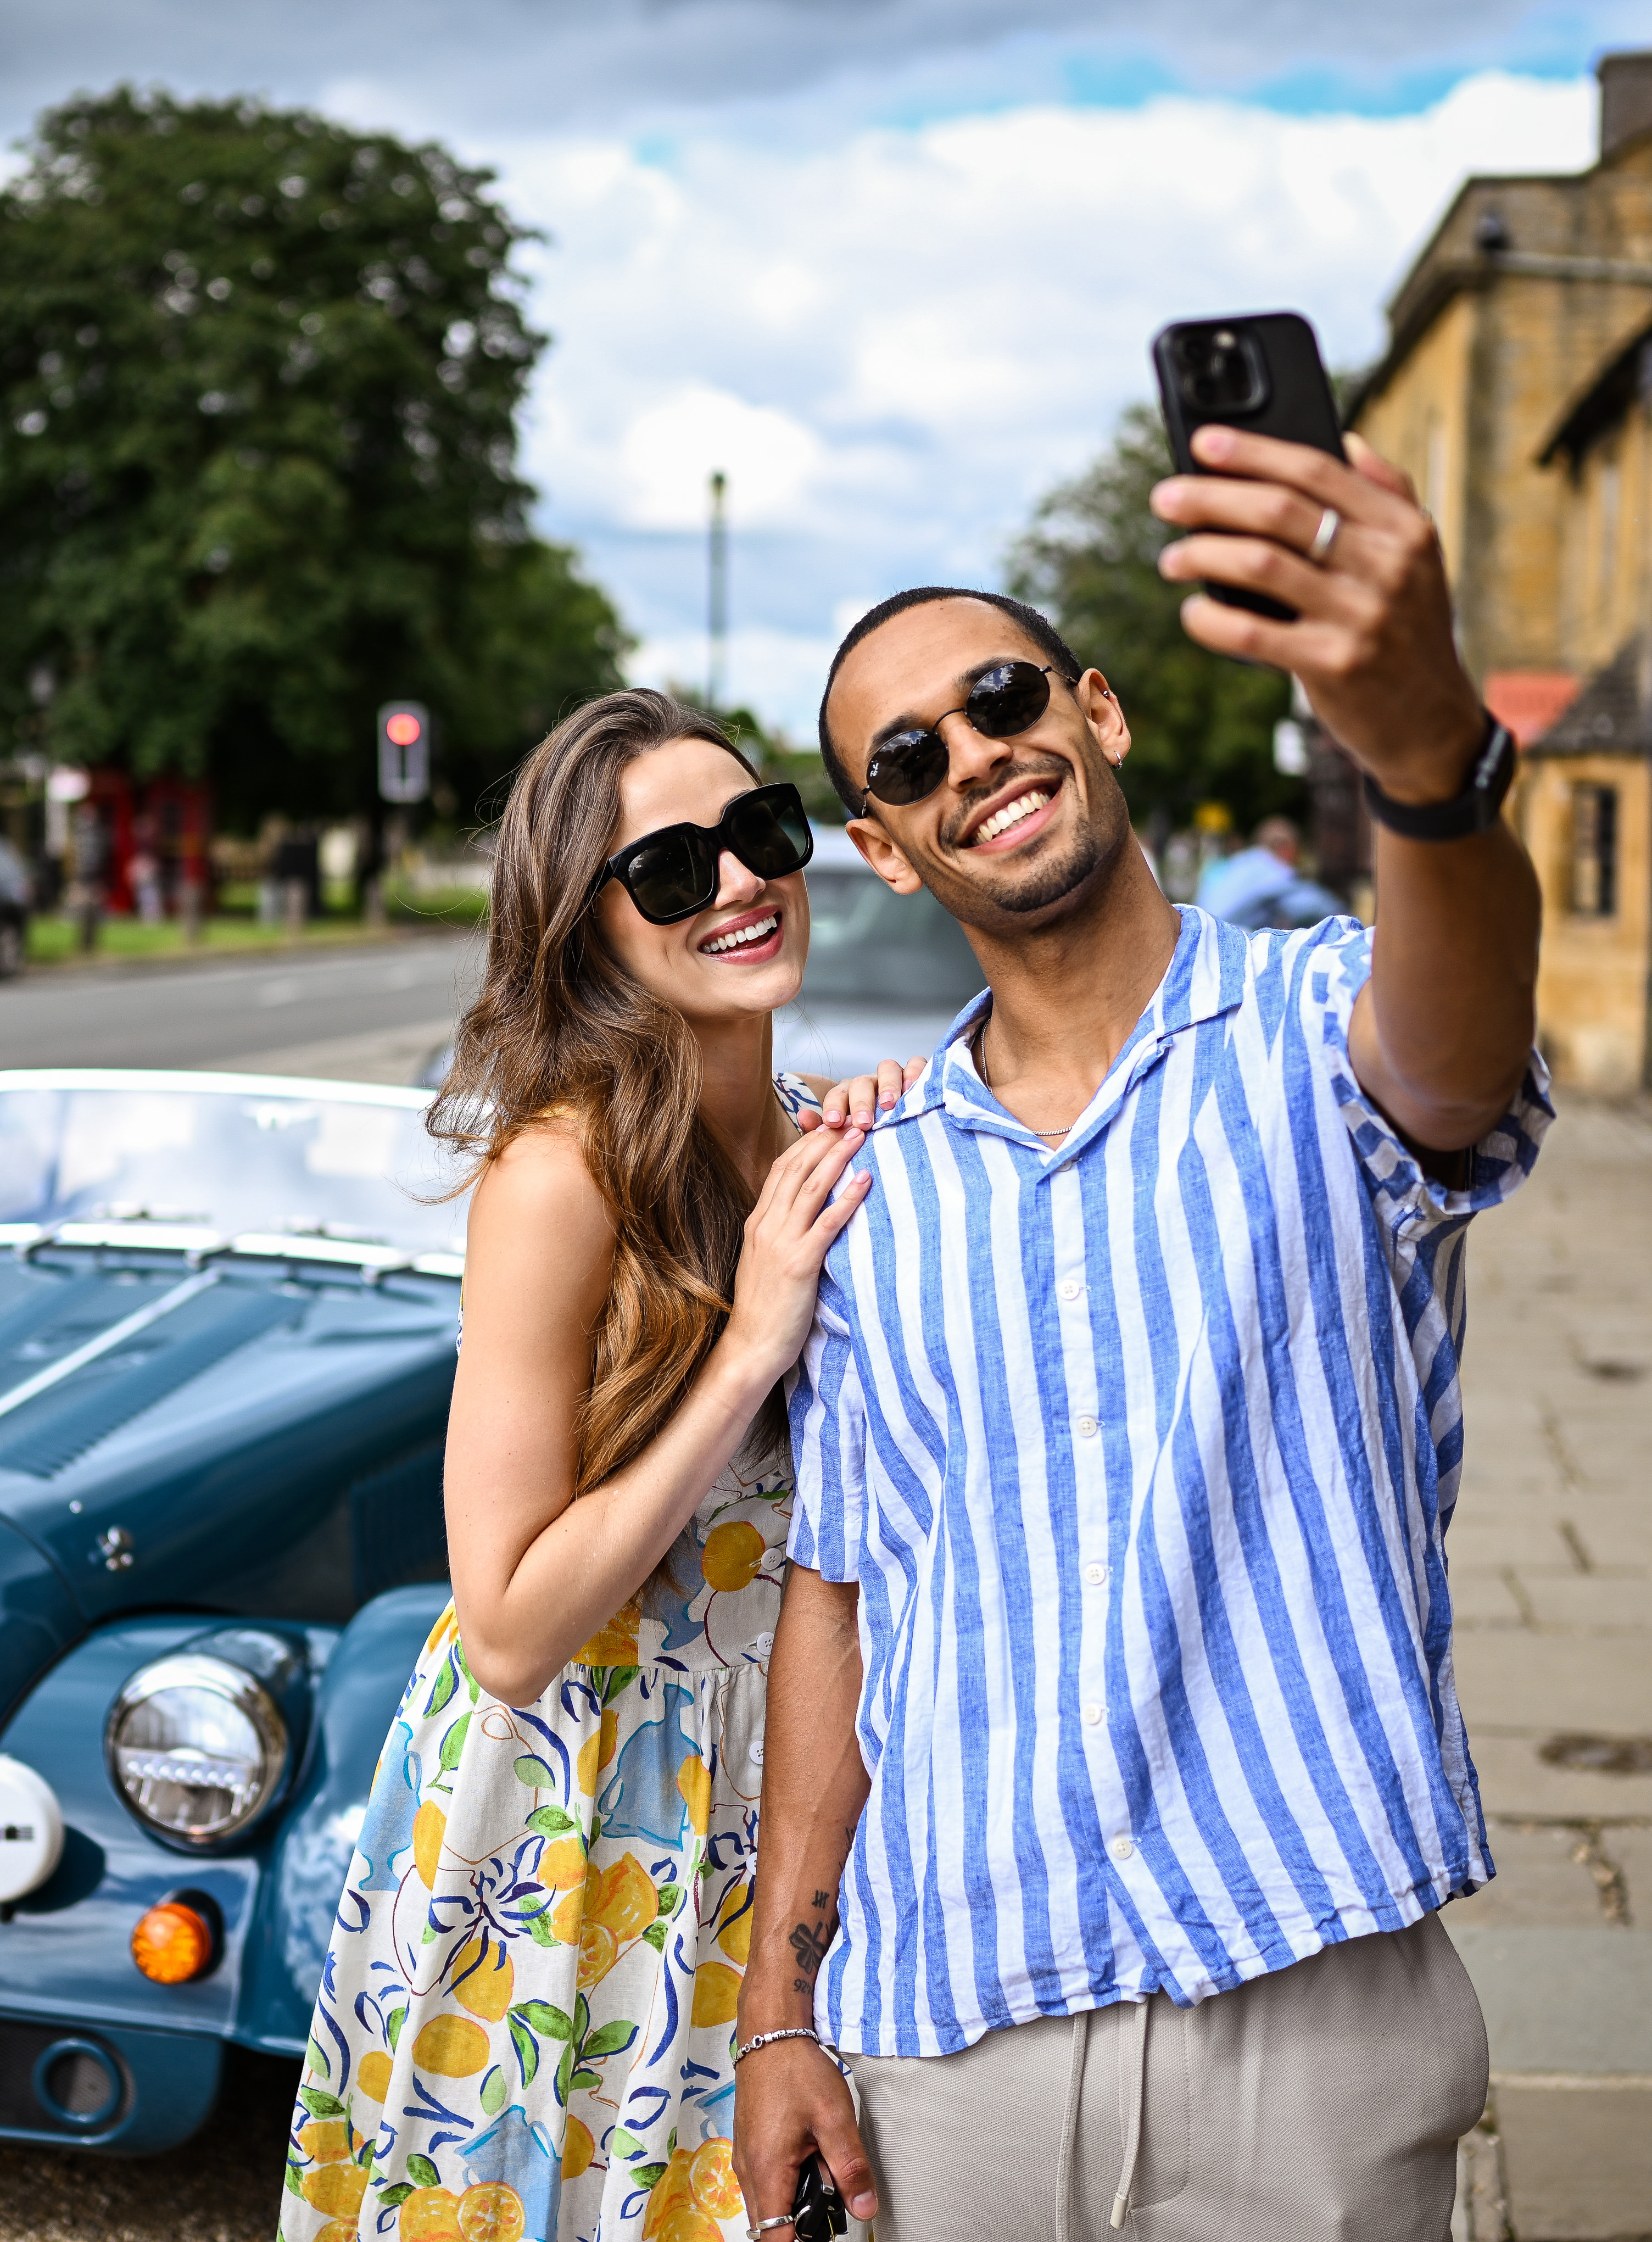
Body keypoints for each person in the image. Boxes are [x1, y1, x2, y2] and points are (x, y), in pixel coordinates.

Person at [737, 423, 1549, 2241]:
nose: (975, 756)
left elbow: (1462, 1037)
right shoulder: (874, 1185)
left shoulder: (1321, 1025)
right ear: (879, 844)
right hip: (951, 2032)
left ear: (1094, 712)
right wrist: (781, 2000)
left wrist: (1423, 750)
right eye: (907, 757)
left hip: (1301, 1987)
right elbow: (844, 1600)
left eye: (1002, 695)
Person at [282, 688, 907, 2242]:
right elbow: (502, 1626)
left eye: (757, 833)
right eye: (671, 871)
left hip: (787, 1807)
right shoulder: (562, 1172)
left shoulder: (829, 1141)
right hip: (573, 1824)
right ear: (589, 931)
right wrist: (748, 1347)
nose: (741, 882)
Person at [1190, 813, 1340, 929]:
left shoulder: (1235, 863)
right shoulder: (1269, 866)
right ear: (1285, 847)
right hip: (1224, 943)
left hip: (1201, 939)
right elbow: (1310, 906)